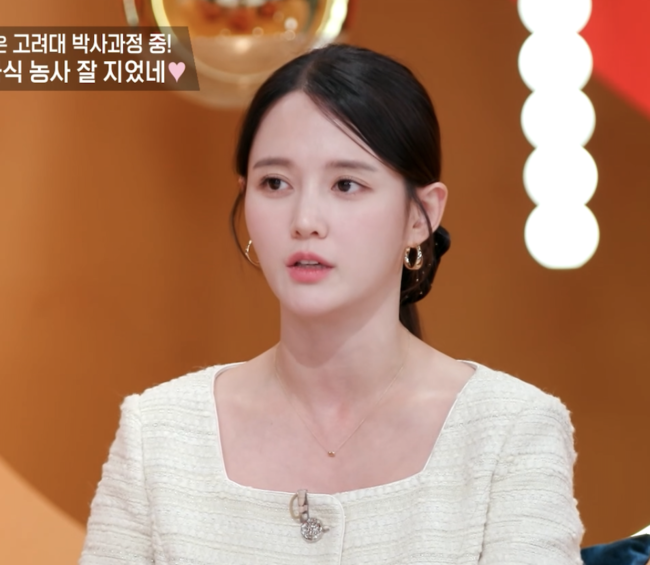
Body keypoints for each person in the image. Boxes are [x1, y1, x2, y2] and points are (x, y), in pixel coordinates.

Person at [79, 43, 585, 564]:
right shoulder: (158, 434)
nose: (305, 220)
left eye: (346, 184)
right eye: (275, 183)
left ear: (421, 216)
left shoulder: (511, 432)